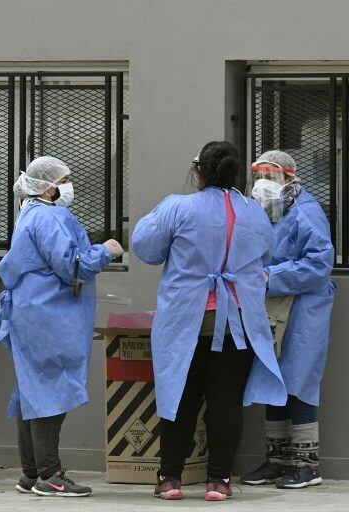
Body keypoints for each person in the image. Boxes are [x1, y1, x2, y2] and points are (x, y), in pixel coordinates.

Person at [132, 141, 287, 502]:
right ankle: (219, 481)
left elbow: (145, 247)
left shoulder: (178, 207)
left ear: (198, 170)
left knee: (180, 398)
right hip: (240, 321)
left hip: (186, 320)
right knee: (226, 401)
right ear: (235, 173)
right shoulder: (255, 212)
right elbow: (266, 254)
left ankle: (169, 478)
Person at [0, 156, 123, 498]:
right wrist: (107, 250)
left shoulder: (29, 214)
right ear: (50, 187)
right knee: (51, 391)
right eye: (66, 179)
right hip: (50, 314)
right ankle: (50, 474)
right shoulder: (51, 216)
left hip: (32, 310)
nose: (71, 185)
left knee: (33, 388)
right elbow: (73, 266)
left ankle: (31, 473)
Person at [241, 150, 335, 489]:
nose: (264, 182)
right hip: (272, 306)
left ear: (290, 177)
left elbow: (319, 264)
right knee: (273, 378)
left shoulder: (306, 211)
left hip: (304, 307)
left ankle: (307, 464)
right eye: (259, 175)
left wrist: (271, 276)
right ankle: (277, 461)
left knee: (299, 380)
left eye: (271, 175)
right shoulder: (269, 210)